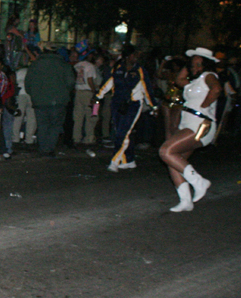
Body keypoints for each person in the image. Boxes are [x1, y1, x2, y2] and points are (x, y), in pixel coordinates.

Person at [158, 48, 222, 212]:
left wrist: (203, 107)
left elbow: (216, 90)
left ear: (205, 64)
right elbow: (179, 80)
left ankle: (199, 182)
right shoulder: (193, 82)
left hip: (200, 125)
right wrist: (188, 63)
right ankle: (185, 200)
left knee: (165, 151)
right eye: (192, 65)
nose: (194, 68)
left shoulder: (209, 76)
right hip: (188, 124)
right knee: (174, 160)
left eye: (198, 64)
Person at [94, 45, 155, 172]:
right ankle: (129, 160)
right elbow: (108, 83)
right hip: (117, 103)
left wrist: (153, 105)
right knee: (121, 133)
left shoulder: (139, 70)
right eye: (134, 55)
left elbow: (147, 88)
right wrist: (98, 96)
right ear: (128, 56)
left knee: (123, 132)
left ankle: (114, 162)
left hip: (133, 104)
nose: (136, 57)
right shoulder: (117, 68)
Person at [24, 46, 75, 156]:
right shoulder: (64, 65)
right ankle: (50, 148)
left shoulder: (35, 65)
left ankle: (43, 148)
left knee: (42, 125)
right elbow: (70, 83)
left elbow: (27, 83)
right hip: (59, 100)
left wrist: (34, 94)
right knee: (55, 126)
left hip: (40, 101)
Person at [72, 50, 99, 146]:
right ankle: (89, 138)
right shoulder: (90, 66)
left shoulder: (76, 66)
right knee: (90, 116)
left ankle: (76, 137)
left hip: (78, 92)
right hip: (88, 93)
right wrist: (94, 92)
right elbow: (90, 79)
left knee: (78, 117)